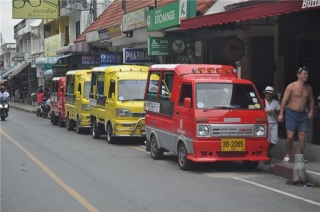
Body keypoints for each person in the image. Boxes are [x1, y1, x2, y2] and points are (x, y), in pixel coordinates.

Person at [278, 67, 314, 163]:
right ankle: (288, 154)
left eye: (307, 74)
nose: (306, 75)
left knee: (302, 136)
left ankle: (300, 156)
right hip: (291, 113)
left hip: (303, 114)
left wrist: (311, 111)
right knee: (290, 136)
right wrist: (281, 114)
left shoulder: (308, 88)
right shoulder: (291, 86)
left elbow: (311, 101)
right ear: (298, 75)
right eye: (304, 74)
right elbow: (284, 100)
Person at [263, 86, 280, 165]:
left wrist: (274, 111)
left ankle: (267, 151)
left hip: (274, 123)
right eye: (267, 94)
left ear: (272, 95)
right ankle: (267, 155)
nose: (268, 95)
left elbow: (280, 112)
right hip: (266, 123)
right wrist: (266, 112)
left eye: (270, 94)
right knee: (267, 140)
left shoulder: (275, 102)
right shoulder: (262, 101)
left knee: (274, 140)